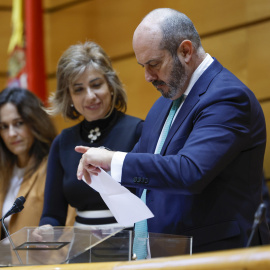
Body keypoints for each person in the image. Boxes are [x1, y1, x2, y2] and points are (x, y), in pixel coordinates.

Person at [76, 8, 270, 255]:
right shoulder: (164, 104)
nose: (147, 76)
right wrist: (105, 169)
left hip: (218, 254)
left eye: (154, 64)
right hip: (165, 254)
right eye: (142, 66)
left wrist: (113, 160)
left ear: (185, 51)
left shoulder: (227, 97)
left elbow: (190, 171)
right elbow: (144, 167)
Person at [39, 41, 142, 228]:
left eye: (96, 85)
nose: (90, 96)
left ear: (111, 85)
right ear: (69, 97)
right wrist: (45, 230)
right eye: (78, 89)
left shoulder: (137, 131)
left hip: (132, 246)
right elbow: (52, 215)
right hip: (82, 250)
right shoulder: (62, 142)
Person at [0, 87, 56, 239]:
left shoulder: (53, 167)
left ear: (35, 123)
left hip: (41, 261)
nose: (11, 134)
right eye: (4, 127)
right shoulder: (4, 171)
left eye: (18, 123)